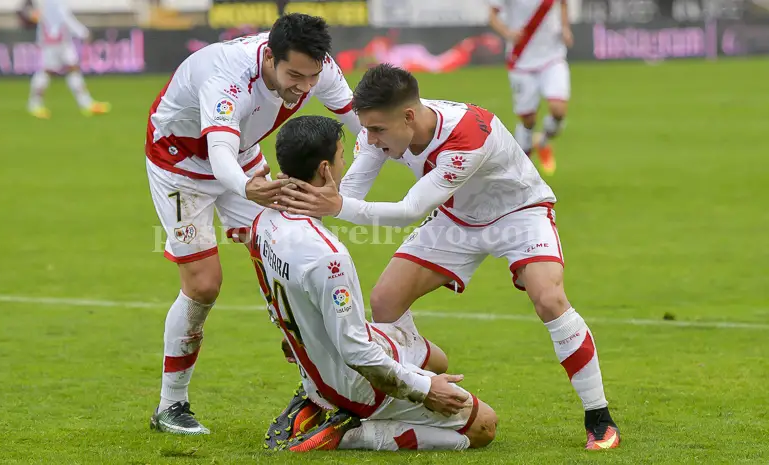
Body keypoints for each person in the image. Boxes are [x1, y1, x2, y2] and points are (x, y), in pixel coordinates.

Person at [278, 64, 620, 450]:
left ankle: (599, 418)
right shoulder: (380, 129)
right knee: (385, 300)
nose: (370, 139)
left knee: (549, 299)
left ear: (408, 117)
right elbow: (349, 194)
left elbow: (408, 210)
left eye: (377, 130)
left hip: (519, 214)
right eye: (367, 128)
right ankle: (392, 398)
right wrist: (298, 208)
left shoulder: (467, 134)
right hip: (456, 218)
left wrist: (336, 205)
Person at [145, 13, 362, 435]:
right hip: (181, 165)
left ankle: (317, 389)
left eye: (312, 77)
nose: (304, 87)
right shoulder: (227, 76)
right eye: (294, 76)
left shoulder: (317, 67)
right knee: (203, 285)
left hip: (242, 158)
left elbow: (364, 127)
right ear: (269, 58)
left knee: (296, 249)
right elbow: (219, 152)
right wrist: (247, 187)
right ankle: (171, 405)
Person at [253, 115, 497, 452]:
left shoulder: (263, 221)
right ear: (325, 169)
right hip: (355, 382)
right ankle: (349, 431)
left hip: (319, 359)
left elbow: (275, 300)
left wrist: (298, 340)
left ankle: (319, 396)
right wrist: (426, 390)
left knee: (437, 360)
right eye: (342, 157)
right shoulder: (329, 257)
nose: (344, 164)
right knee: (484, 427)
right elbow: (357, 352)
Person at [488, 0, 573, 176]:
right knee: (528, 119)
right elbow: (493, 16)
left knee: (558, 109)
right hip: (521, 59)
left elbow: (563, 3)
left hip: (552, 56)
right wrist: (508, 33)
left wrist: (565, 28)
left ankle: (542, 141)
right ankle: (522, 169)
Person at [28, 0, 110, 119]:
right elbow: (64, 17)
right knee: (48, 71)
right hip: (55, 41)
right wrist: (82, 32)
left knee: (72, 69)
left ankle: (86, 104)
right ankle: (35, 104)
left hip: (60, 40)